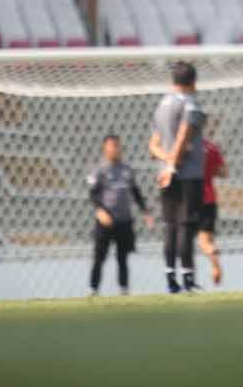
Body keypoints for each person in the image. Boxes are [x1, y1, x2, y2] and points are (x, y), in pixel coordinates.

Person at [149, 60, 206, 293]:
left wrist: (165, 163)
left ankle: (170, 278)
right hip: (187, 175)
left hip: (166, 175)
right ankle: (188, 280)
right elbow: (184, 136)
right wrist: (173, 164)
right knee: (185, 226)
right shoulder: (191, 106)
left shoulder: (161, 105)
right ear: (193, 82)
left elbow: (153, 145)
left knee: (170, 226)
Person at [88, 134, 153, 296]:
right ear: (105, 148)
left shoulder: (127, 169)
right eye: (112, 146)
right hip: (106, 221)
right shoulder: (100, 170)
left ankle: (124, 290)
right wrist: (100, 211)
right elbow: (93, 194)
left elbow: (135, 192)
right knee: (99, 257)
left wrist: (145, 211)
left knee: (122, 258)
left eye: (118, 145)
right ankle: (93, 289)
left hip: (124, 221)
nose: (116, 149)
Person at [197, 135, 227, 285]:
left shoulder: (186, 145)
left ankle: (211, 254)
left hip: (191, 198)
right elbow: (224, 172)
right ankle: (213, 260)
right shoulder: (211, 147)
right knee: (208, 238)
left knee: (201, 242)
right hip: (210, 198)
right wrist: (210, 171)